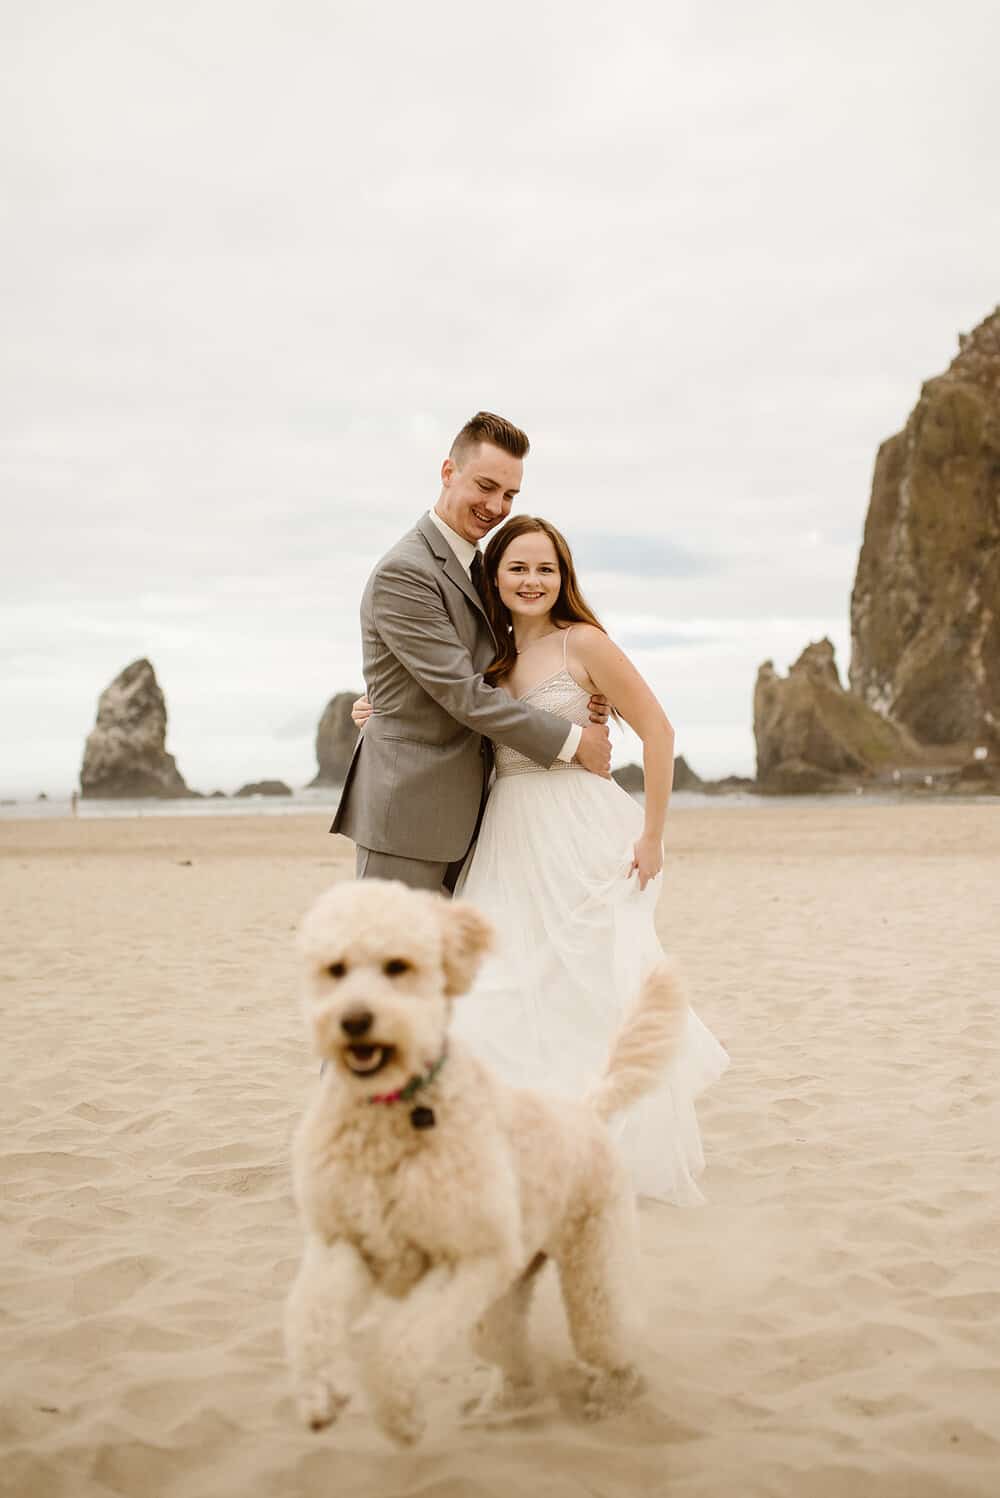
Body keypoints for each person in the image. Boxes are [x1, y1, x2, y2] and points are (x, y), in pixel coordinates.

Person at [354, 513, 729, 1206]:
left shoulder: (582, 644)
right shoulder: (486, 657)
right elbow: (449, 707)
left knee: (590, 984)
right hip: (506, 830)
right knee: (502, 988)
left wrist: (653, 834)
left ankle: (606, 1149)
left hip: (581, 828)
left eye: (546, 568)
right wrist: (375, 713)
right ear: (494, 579)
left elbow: (658, 730)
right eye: (518, 568)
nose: (532, 580)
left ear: (565, 579)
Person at [331, 411, 612, 893]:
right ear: (448, 472)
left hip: (477, 817)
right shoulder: (406, 571)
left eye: (509, 495)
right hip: (409, 819)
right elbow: (463, 693)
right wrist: (573, 740)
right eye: (485, 486)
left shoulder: (483, 570)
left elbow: (501, 661)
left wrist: (577, 687)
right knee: (391, 963)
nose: (496, 506)